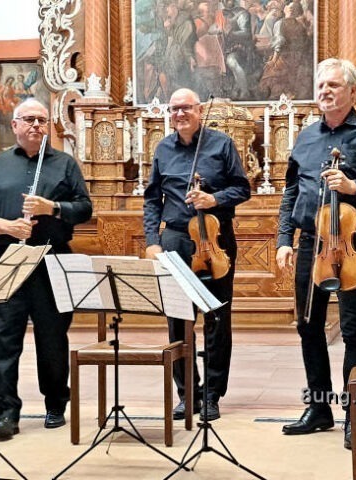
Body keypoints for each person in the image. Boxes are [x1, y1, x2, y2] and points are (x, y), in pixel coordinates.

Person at [275, 58, 356, 449]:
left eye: (332, 85)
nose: (325, 91)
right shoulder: (306, 137)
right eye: (320, 86)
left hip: (350, 243)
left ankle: (354, 413)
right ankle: (319, 407)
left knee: (352, 331)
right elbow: (291, 192)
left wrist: (352, 186)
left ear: (351, 90)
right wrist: (284, 239)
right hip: (311, 243)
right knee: (308, 328)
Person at [0, 98, 92, 438]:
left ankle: (55, 403)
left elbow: (84, 208)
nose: (37, 125)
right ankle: (6, 410)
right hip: (7, 258)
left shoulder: (64, 164)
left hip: (52, 260)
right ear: (15, 126)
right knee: (2, 336)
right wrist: (6, 226)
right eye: (29, 120)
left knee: (52, 337)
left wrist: (51, 207)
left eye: (42, 120)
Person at [143, 88, 251, 421]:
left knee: (217, 319)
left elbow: (242, 188)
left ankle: (213, 395)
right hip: (176, 239)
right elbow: (151, 200)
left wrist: (214, 199)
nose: (179, 114)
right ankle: (187, 393)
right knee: (179, 320)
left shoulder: (221, 144)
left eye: (186, 108)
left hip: (215, 238)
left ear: (199, 110)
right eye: (174, 109)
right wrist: (152, 240)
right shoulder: (162, 149)